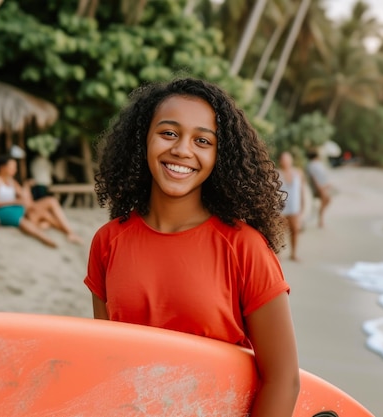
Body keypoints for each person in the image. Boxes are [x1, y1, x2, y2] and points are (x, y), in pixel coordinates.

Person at [84, 78, 299, 417]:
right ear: (143, 140)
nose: (183, 150)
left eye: (202, 140)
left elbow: (283, 379)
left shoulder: (244, 247)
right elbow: (108, 359)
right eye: (168, 133)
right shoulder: (108, 242)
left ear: (219, 155)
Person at [0, 155, 58, 248]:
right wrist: (14, 202)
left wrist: (27, 185)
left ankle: (64, 231)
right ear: (2, 167)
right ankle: (45, 238)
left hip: (12, 209)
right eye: (12, 167)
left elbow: (24, 196)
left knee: (42, 213)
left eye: (15, 167)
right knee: (23, 219)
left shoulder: (11, 181)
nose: (14, 170)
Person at [278, 151, 305, 261]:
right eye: (284, 159)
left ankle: (293, 253)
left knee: (295, 230)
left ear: (291, 160)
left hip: (294, 208)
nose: (286, 162)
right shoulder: (277, 173)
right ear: (281, 161)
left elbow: (301, 190)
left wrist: (302, 206)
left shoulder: (298, 173)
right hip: (281, 208)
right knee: (280, 232)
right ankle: (278, 254)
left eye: (287, 159)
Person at [306, 149, 332, 228]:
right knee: (326, 200)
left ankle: (320, 217)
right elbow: (314, 178)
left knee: (327, 200)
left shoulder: (317, 164)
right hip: (319, 187)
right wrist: (319, 187)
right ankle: (320, 219)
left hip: (323, 186)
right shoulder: (311, 165)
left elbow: (322, 175)